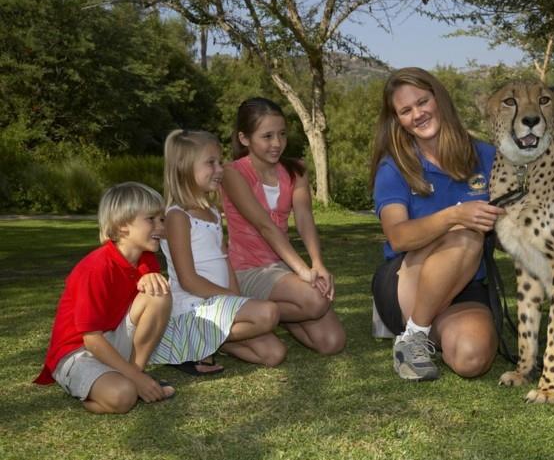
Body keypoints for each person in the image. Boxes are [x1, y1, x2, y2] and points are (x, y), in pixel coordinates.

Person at [370, 67, 506, 382]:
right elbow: (399, 237)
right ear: (397, 120)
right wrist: (454, 216)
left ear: (439, 99)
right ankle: (413, 335)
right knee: (466, 234)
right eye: (406, 110)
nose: (417, 114)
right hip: (408, 277)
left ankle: (429, 328)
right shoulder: (394, 167)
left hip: (467, 282)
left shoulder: (485, 156)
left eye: (422, 102)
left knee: (472, 360)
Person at [152, 129, 286, 376]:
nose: (220, 169)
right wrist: (233, 300)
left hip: (219, 303)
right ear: (184, 167)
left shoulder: (213, 213)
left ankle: (213, 341)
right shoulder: (177, 216)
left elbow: (225, 261)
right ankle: (187, 338)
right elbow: (188, 279)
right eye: (210, 163)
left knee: (274, 354)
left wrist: (236, 298)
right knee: (269, 312)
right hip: (194, 305)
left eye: (220, 162)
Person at [34, 182, 175, 414]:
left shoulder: (146, 259)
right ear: (122, 227)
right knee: (122, 397)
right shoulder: (96, 268)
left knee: (159, 293)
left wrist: (134, 376)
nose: (160, 225)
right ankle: (111, 387)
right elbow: (91, 339)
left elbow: (152, 303)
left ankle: (134, 374)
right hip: (78, 350)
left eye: (162, 219)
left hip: (111, 340)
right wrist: (132, 382)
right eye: (151, 219)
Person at [221, 97, 346, 355]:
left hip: (280, 267)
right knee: (314, 300)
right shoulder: (232, 173)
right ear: (244, 139)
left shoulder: (295, 171)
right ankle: (239, 322)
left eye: (281, 134)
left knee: (331, 343)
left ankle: (268, 313)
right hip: (247, 269)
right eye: (267, 136)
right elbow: (264, 225)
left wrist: (317, 263)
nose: (276, 143)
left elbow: (304, 218)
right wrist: (302, 271)